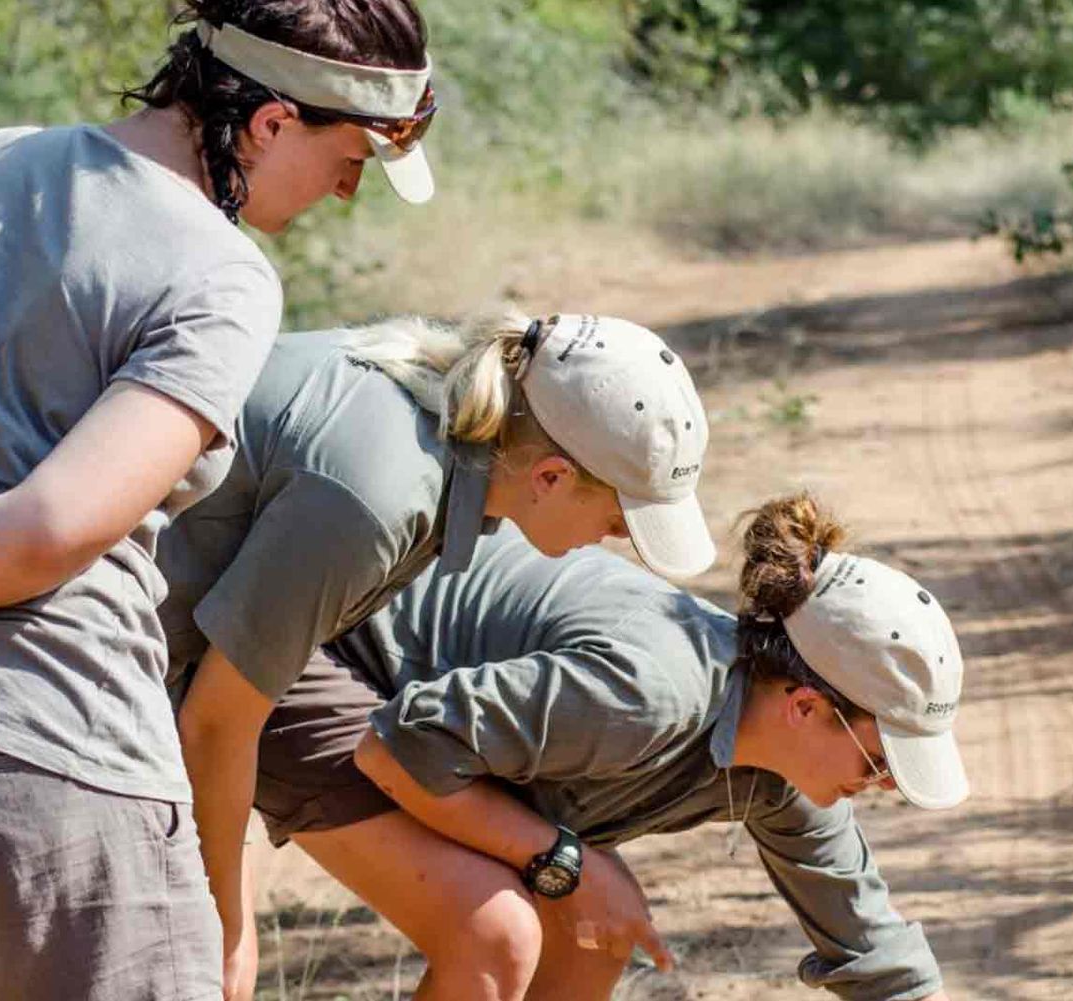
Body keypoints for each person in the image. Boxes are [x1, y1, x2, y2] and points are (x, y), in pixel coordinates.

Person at [0, 2, 434, 997]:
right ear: (272, 122)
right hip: (47, 753)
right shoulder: (222, 273)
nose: (345, 191)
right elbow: (52, 527)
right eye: (350, 160)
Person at [162, 310, 717, 993]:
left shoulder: (444, 453)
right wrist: (223, 925)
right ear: (550, 477)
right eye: (616, 517)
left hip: (200, 660)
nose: (618, 540)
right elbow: (216, 722)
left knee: (499, 925)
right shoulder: (381, 495)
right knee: (209, 969)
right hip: (98, 655)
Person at [252, 493, 966, 1000]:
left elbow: (875, 951)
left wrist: (572, 871)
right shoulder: (646, 694)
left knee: (593, 933)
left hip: (425, 721)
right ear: (805, 705)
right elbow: (399, 749)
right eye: (880, 760)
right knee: (496, 930)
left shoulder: (779, 776)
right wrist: (568, 861)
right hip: (316, 637)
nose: (886, 786)